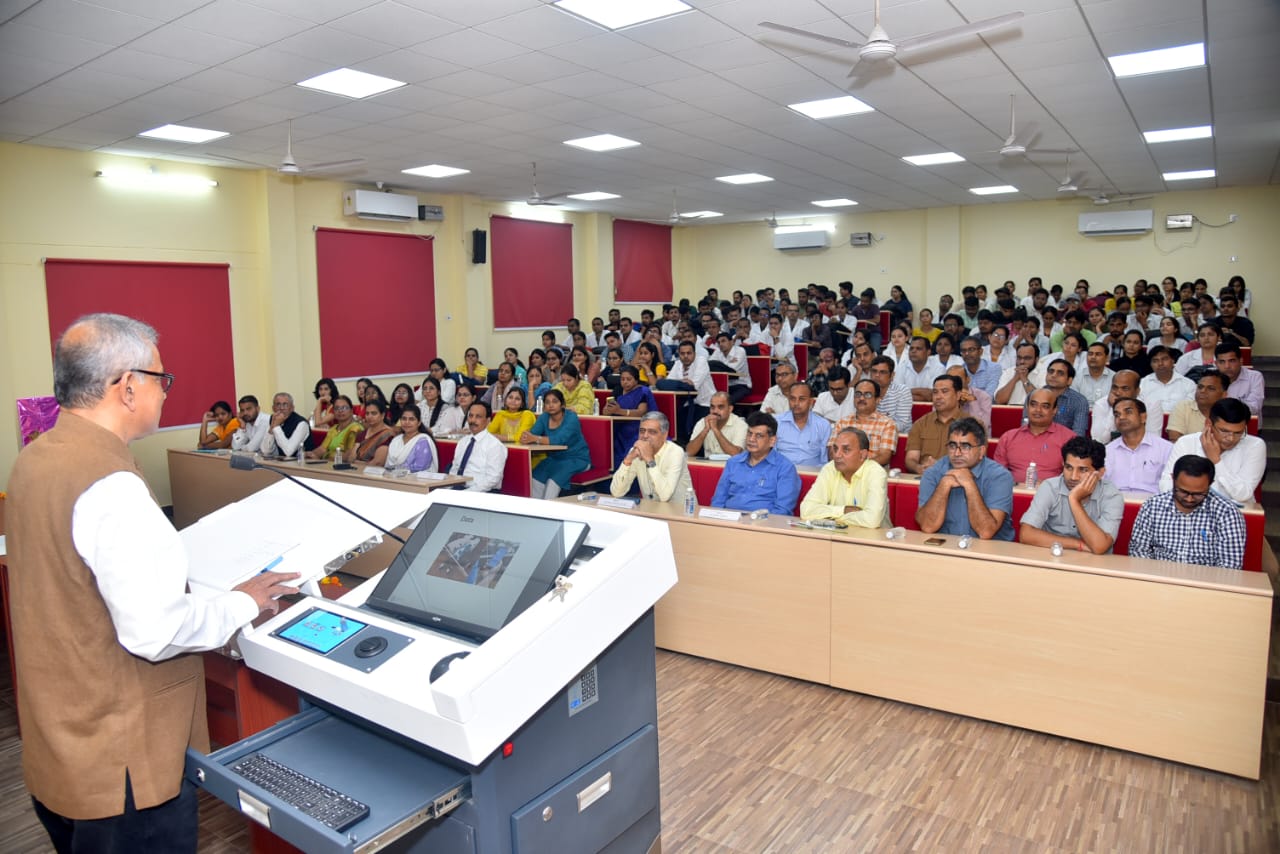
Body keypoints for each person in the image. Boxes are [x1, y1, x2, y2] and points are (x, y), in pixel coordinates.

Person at [6, 313, 297, 851]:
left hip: (61, 746)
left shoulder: (35, 460)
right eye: (162, 379)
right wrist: (242, 603)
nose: (166, 391)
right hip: (123, 765)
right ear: (127, 386)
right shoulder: (111, 485)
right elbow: (153, 630)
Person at [1128, 455, 1245, 570]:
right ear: (1173, 478)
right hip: (1158, 580)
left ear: (1210, 483)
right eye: (1183, 491)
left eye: (1198, 494)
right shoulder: (1153, 506)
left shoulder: (1227, 513)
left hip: (1205, 584)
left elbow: (1229, 566)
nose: (1189, 499)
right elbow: (1139, 551)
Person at [1019, 437, 1124, 554]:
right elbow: (1026, 534)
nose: (1073, 477)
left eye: (1083, 470)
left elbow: (1100, 546)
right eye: (1069, 468)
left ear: (1100, 473)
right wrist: (1077, 544)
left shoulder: (1112, 496)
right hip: (1052, 559)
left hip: (1095, 566)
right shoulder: (1050, 487)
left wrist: (1074, 500)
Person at [916, 417, 1014, 541]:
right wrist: (944, 485)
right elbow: (927, 526)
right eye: (952, 446)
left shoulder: (999, 476)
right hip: (946, 548)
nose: (957, 453)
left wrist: (969, 484)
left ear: (981, 451)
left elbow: (986, 532)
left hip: (990, 552)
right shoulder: (933, 473)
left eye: (966, 446)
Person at [1158, 398, 1265, 504]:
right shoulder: (1186, 443)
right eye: (1224, 431)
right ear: (1208, 424)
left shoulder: (1255, 445)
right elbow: (1166, 485)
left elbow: (1243, 495)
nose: (1230, 438)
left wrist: (1216, 460)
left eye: (1238, 433)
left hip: (1235, 514)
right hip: (1189, 508)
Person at [710, 412, 801, 516]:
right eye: (749, 433)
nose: (751, 439)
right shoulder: (733, 463)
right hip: (729, 522)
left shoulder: (785, 468)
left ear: (772, 440)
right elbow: (718, 501)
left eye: (759, 436)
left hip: (763, 526)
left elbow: (782, 510)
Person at [801, 427, 890, 528]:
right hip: (837, 538)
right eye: (835, 448)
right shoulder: (830, 468)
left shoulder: (876, 472)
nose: (837, 455)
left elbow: (872, 520)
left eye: (846, 450)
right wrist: (843, 510)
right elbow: (805, 510)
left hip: (874, 540)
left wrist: (831, 517)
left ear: (862, 455)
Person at [993, 388, 1075, 484]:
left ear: (1054, 410)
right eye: (1033, 405)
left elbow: (1074, 477)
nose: (1038, 410)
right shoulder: (1009, 437)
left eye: (1045, 406)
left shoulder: (1069, 438)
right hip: (1013, 494)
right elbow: (997, 475)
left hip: (1053, 496)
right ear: (1027, 407)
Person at [609, 412, 693, 504]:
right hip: (651, 511)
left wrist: (650, 460)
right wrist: (628, 460)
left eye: (652, 432)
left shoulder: (675, 452)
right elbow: (616, 492)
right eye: (642, 431)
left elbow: (665, 496)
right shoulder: (636, 451)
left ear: (664, 435)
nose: (645, 436)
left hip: (681, 512)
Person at [522, 389, 591, 500]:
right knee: (535, 477)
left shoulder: (571, 418)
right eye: (548, 402)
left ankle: (548, 513)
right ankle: (535, 512)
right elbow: (533, 434)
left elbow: (560, 440)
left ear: (562, 404)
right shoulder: (544, 417)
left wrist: (535, 439)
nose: (551, 405)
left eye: (554, 401)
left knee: (553, 481)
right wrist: (526, 437)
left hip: (577, 459)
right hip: (554, 459)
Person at [1104, 398, 1173, 495]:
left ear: (1143, 417)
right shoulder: (1107, 451)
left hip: (1152, 505)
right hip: (1115, 504)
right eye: (1117, 415)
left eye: (1128, 412)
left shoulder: (1166, 449)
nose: (1121, 417)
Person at [904, 374, 963, 474]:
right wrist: (919, 468)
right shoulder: (921, 423)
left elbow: (975, 461)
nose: (938, 397)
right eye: (935, 392)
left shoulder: (973, 425)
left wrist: (942, 467)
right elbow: (911, 459)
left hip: (958, 479)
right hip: (925, 477)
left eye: (944, 392)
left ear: (958, 395)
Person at [832, 379, 898, 468]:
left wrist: (859, 467)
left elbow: (884, 457)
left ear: (877, 400)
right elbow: (832, 452)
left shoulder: (887, 424)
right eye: (858, 394)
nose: (861, 398)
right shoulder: (842, 423)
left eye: (868, 395)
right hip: (844, 471)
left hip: (872, 474)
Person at [660, 340, 714, 444]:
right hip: (687, 404)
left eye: (689, 353)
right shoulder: (678, 364)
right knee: (673, 422)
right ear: (679, 354)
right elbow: (668, 384)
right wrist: (682, 383)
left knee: (694, 426)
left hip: (706, 404)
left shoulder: (701, 362)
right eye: (682, 353)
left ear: (694, 354)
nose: (685, 356)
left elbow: (693, 385)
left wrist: (680, 383)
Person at [448, 401, 506, 493]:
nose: (473, 420)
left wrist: (466, 494)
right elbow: (454, 470)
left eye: (478, 417)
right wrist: (447, 490)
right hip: (459, 490)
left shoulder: (495, 446)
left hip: (483, 493)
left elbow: (492, 479)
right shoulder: (462, 442)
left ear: (488, 421)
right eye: (470, 416)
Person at [604, 365, 657, 466]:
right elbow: (607, 410)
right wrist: (608, 410)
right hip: (619, 428)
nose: (625, 382)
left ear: (636, 380)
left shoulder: (642, 391)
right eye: (622, 379)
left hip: (637, 428)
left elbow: (641, 412)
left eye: (629, 379)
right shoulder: (618, 390)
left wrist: (620, 411)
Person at [774, 381, 831, 467]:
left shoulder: (823, 425)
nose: (796, 403)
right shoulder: (776, 422)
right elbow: (771, 456)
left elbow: (824, 461)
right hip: (781, 473)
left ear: (811, 402)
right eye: (792, 399)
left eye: (801, 399)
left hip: (812, 475)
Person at [1167, 370, 1228, 442]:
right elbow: (1174, 439)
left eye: (1210, 388)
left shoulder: (1229, 411)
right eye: (1200, 387)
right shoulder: (1183, 407)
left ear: (1224, 395)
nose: (1202, 391)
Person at [687, 391, 747, 458]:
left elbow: (736, 454)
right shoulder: (703, 422)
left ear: (730, 409)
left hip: (732, 467)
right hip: (709, 466)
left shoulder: (741, 425)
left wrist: (716, 430)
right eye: (712, 407)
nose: (715, 411)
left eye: (720, 407)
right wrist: (705, 430)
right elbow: (689, 452)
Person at [1138, 346, 1195, 415]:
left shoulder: (1188, 384)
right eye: (1155, 361)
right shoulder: (1143, 384)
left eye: (1164, 359)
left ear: (1173, 361)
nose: (1160, 364)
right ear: (1151, 364)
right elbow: (1140, 409)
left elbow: (1190, 410)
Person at [1214, 342, 1263, 418]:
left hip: (1248, 426)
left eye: (1232, 361)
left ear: (1241, 361)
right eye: (1222, 362)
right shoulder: (1210, 378)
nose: (1227, 366)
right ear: (1216, 364)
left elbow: (1254, 407)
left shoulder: (1254, 377)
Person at [1042, 359, 1090, 435]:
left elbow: (1078, 433)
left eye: (1060, 373)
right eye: (1051, 371)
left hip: (1066, 444)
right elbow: (1025, 425)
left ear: (1069, 381)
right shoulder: (1033, 396)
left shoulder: (1079, 401)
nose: (1054, 375)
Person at [385, 404, 438, 472]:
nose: (407, 422)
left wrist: (397, 471)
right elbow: (388, 466)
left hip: (417, 480)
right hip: (393, 478)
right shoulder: (396, 440)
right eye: (404, 419)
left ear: (419, 422)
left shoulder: (423, 441)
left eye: (411, 419)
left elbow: (420, 467)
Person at [307, 394, 360, 461]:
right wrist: (309, 454)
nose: (340, 411)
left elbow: (348, 455)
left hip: (342, 467)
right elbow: (322, 449)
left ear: (351, 411)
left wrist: (325, 460)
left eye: (344, 408)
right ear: (334, 412)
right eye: (337, 408)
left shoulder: (355, 428)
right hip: (327, 464)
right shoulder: (334, 428)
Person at [260, 391, 314, 456]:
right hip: (282, 463)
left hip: (302, 463)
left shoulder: (301, 423)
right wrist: (271, 428)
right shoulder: (274, 419)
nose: (281, 408)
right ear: (273, 408)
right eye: (278, 404)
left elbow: (288, 452)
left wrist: (276, 426)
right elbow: (265, 450)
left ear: (292, 408)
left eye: (285, 404)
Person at [868, 356, 913, 434]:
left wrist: (876, 429)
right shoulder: (865, 391)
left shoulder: (902, 391)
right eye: (874, 371)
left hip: (899, 439)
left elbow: (901, 424)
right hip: (872, 435)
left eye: (882, 372)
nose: (877, 375)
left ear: (892, 375)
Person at [994, 342, 1043, 406]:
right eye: (1019, 358)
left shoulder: (1043, 374)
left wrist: (1024, 379)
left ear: (1036, 359)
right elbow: (999, 400)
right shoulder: (1008, 372)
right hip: (1010, 411)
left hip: (1033, 413)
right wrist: (1015, 378)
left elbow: (1039, 401)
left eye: (1027, 358)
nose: (1022, 361)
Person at [945, 365, 991, 433]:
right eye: (950, 380)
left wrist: (972, 402)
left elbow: (983, 426)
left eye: (958, 379)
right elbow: (941, 426)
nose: (954, 383)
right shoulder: (941, 398)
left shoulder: (983, 396)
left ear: (968, 379)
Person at [350, 398, 394, 466]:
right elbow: (351, 458)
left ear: (382, 415)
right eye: (367, 413)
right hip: (355, 471)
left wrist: (357, 463)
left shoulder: (388, 434)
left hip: (374, 474)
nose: (369, 416)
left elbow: (378, 463)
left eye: (374, 413)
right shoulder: (362, 434)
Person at [898, 335, 941, 401]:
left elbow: (931, 395)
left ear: (928, 352)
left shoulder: (938, 368)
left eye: (918, 348)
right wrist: (922, 394)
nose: (914, 351)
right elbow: (897, 394)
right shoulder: (901, 367)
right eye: (911, 348)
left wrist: (905, 393)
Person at [1073, 342, 1114, 407]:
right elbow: (1074, 402)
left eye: (1098, 354)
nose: (1093, 357)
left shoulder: (1115, 378)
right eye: (1090, 354)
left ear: (1107, 358)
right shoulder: (1077, 377)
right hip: (1082, 414)